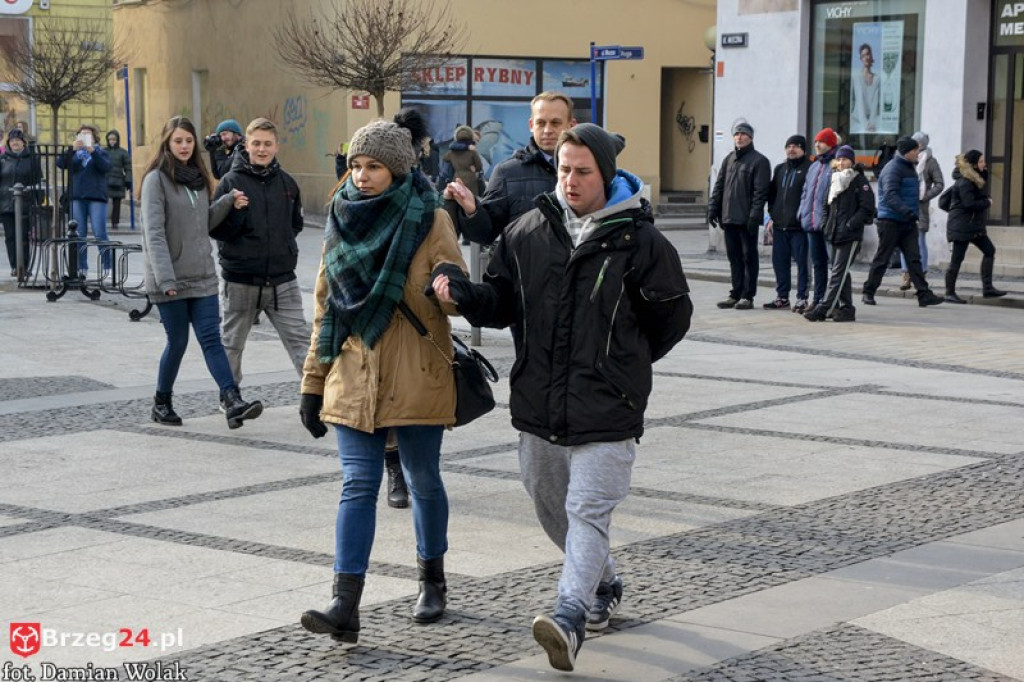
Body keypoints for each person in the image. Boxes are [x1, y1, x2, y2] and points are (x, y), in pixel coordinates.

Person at [433, 123, 692, 672]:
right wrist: (465, 295)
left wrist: (625, 366)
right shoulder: (528, 230)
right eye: (563, 170)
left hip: (608, 407)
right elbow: (502, 301)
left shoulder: (641, 242)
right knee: (552, 508)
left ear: (607, 174)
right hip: (540, 403)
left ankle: (569, 617)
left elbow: (670, 317)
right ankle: (604, 586)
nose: (570, 181)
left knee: (587, 511)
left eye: (582, 171)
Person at [299, 109, 469, 644]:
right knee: (357, 485)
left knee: (422, 481)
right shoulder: (340, 217)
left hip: (415, 369)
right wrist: (312, 382)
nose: (362, 175)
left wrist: (452, 289)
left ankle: (432, 579)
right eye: (356, 165)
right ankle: (344, 604)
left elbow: (455, 287)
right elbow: (326, 307)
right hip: (353, 369)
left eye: (374, 165)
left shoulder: (429, 217)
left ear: (397, 169)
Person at [139, 116, 264, 430]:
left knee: (211, 339)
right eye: (178, 141)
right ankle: (161, 402)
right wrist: (165, 278)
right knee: (178, 342)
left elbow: (202, 223)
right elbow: (154, 233)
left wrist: (226, 201)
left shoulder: (197, 177)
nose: (183, 146)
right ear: (167, 143)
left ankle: (232, 399)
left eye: (188, 141)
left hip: (202, 275)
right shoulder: (156, 179)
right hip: (170, 278)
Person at [210, 118, 309, 384]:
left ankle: (317, 398)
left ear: (277, 146)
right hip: (241, 280)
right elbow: (216, 229)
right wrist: (237, 213)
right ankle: (230, 397)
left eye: (267, 144)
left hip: (282, 281)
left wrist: (281, 247)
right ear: (247, 144)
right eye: (256, 143)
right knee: (232, 345)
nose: (262, 149)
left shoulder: (288, 184)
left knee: (302, 342)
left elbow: (295, 225)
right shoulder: (231, 182)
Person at [446, 91, 577, 244]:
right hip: (526, 267)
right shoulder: (507, 173)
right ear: (531, 125)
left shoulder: (589, 171)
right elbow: (485, 234)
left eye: (555, 123)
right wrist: (473, 211)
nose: (547, 130)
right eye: (541, 123)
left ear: (571, 125)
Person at [861, 136, 944, 307]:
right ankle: (868, 292)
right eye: (915, 151)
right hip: (890, 221)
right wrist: (907, 212)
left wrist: (910, 214)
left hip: (907, 221)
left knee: (914, 259)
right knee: (882, 259)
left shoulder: (909, 167)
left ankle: (923, 294)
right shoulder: (893, 169)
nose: (918, 154)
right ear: (907, 152)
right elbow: (891, 196)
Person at [804, 146, 875, 323]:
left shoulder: (859, 181)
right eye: (839, 159)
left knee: (837, 272)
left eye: (845, 159)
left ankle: (824, 308)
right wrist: (825, 225)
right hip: (834, 233)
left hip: (849, 235)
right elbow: (826, 205)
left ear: (852, 161)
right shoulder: (835, 179)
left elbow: (867, 208)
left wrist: (851, 224)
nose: (842, 162)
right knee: (841, 272)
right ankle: (847, 308)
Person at [708, 120, 771, 310]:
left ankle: (747, 295)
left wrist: (754, 216)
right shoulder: (729, 159)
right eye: (736, 134)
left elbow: (761, 192)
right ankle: (735, 293)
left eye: (743, 134)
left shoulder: (759, 161)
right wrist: (712, 208)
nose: (739, 137)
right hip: (728, 217)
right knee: (734, 257)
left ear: (750, 138)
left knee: (748, 257)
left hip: (746, 219)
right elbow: (719, 186)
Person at [944, 150, 1006, 302]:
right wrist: (987, 202)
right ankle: (949, 293)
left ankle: (988, 288)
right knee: (957, 259)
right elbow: (969, 204)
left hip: (973, 226)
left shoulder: (975, 179)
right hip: (962, 226)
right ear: (973, 165)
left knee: (989, 250)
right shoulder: (965, 181)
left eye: (983, 161)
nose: (984, 164)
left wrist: (983, 174)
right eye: (981, 161)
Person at [56, 123, 111, 277]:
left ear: (94, 138)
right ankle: (82, 268)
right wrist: (71, 149)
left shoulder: (101, 152)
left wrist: (92, 152)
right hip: (77, 197)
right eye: (81, 134)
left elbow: (106, 167)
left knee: (100, 233)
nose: (85, 137)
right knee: (79, 234)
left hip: (96, 198)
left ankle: (108, 267)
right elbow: (60, 164)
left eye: (88, 135)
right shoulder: (74, 154)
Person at [764, 134, 811, 310]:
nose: (791, 149)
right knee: (780, 263)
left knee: (803, 265)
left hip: (800, 227)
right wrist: (771, 215)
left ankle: (802, 297)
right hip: (779, 226)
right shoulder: (780, 169)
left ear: (803, 149)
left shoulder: (810, 168)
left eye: (796, 146)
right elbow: (772, 194)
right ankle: (782, 297)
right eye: (789, 146)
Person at [797, 127, 840, 312]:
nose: (817, 144)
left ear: (830, 144)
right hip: (811, 222)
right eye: (815, 141)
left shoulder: (836, 165)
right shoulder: (814, 166)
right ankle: (818, 298)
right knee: (817, 264)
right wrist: (802, 211)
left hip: (828, 223)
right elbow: (806, 191)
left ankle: (834, 302)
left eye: (821, 141)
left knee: (835, 265)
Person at [898, 131, 944, 290]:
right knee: (904, 241)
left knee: (919, 241)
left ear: (922, 144)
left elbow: (939, 184)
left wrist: (925, 196)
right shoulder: (906, 159)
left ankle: (922, 273)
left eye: (917, 143)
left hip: (920, 208)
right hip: (904, 206)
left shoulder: (931, 162)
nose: (915, 147)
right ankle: (906, 275)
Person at [1, 128, 42, 277]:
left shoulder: (32, 159)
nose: (15, 143)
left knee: (24, 236)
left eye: (17, 140)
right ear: (8, 143)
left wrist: (38, 202)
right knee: (10, 237)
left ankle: (24, 266)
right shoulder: (3, 159)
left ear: (23, 142)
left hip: (26, 204)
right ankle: (14, 266)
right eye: (12, 141)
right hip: (6, 204)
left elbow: (39, 181)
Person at [105, 130, 132, 231]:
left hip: (118, 180)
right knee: (103, 202)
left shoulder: (123, 152)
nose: (112, 141)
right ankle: (101, 221)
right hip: (106, 180)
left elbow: (128, 167)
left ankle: (115, 222)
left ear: (117, 140)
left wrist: (128, 180)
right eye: (110, 139)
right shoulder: (104, 151)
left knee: (117, 204)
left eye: (114, 139)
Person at [850, 43, 881, 134]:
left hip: (874, 121)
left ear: (871, 56)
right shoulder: (857, 77)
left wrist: (872, 122)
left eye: (868, 54)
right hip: (858, 120)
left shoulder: (877, 78)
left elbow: (876, 102)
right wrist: (865, 123)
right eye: (863, 55)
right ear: (861, 59)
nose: (866, 57)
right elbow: (858, 100)